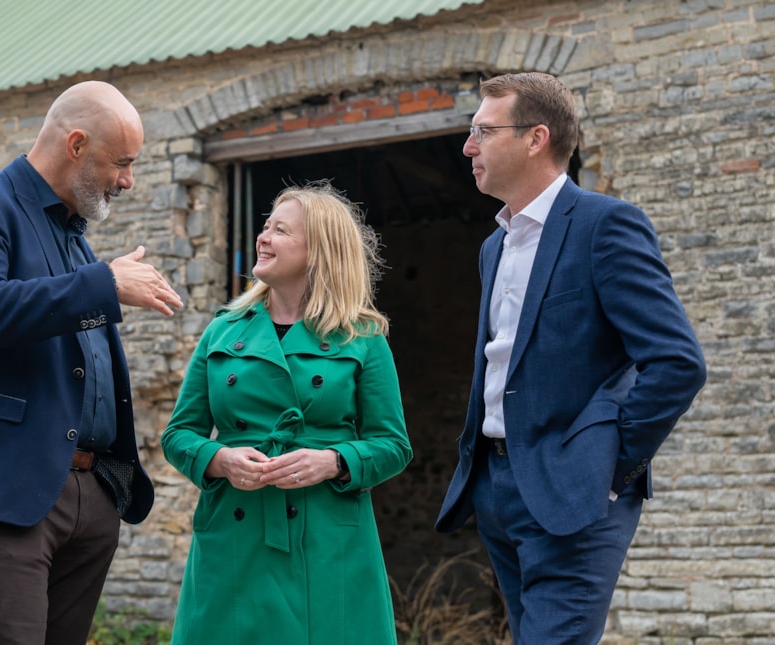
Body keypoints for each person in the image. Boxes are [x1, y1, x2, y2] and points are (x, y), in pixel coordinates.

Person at [435, 72, 707, 644]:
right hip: (496, 485)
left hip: (574, 491)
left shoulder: (605, 224)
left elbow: (677, 362)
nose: (468, 146)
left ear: (536, 138)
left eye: (483, 130)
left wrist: (607, 468)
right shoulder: (495, 245)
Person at [0, 80, 183, 645]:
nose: (129, 181)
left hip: (90, 490)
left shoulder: (74, 237)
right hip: (3, 488)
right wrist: (103, 282)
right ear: (76, 144)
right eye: (122, 163)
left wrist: (102, 493)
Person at [161, 182, 412, 644]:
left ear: (319, 251)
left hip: (326, 535)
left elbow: (393, 445)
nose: (263, 237)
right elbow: (179, 434)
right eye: (265, 227)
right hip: (237, 529)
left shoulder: (362, 337)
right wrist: (220, 460)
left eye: (280, 230)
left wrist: (334, 461)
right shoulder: (222, 331)